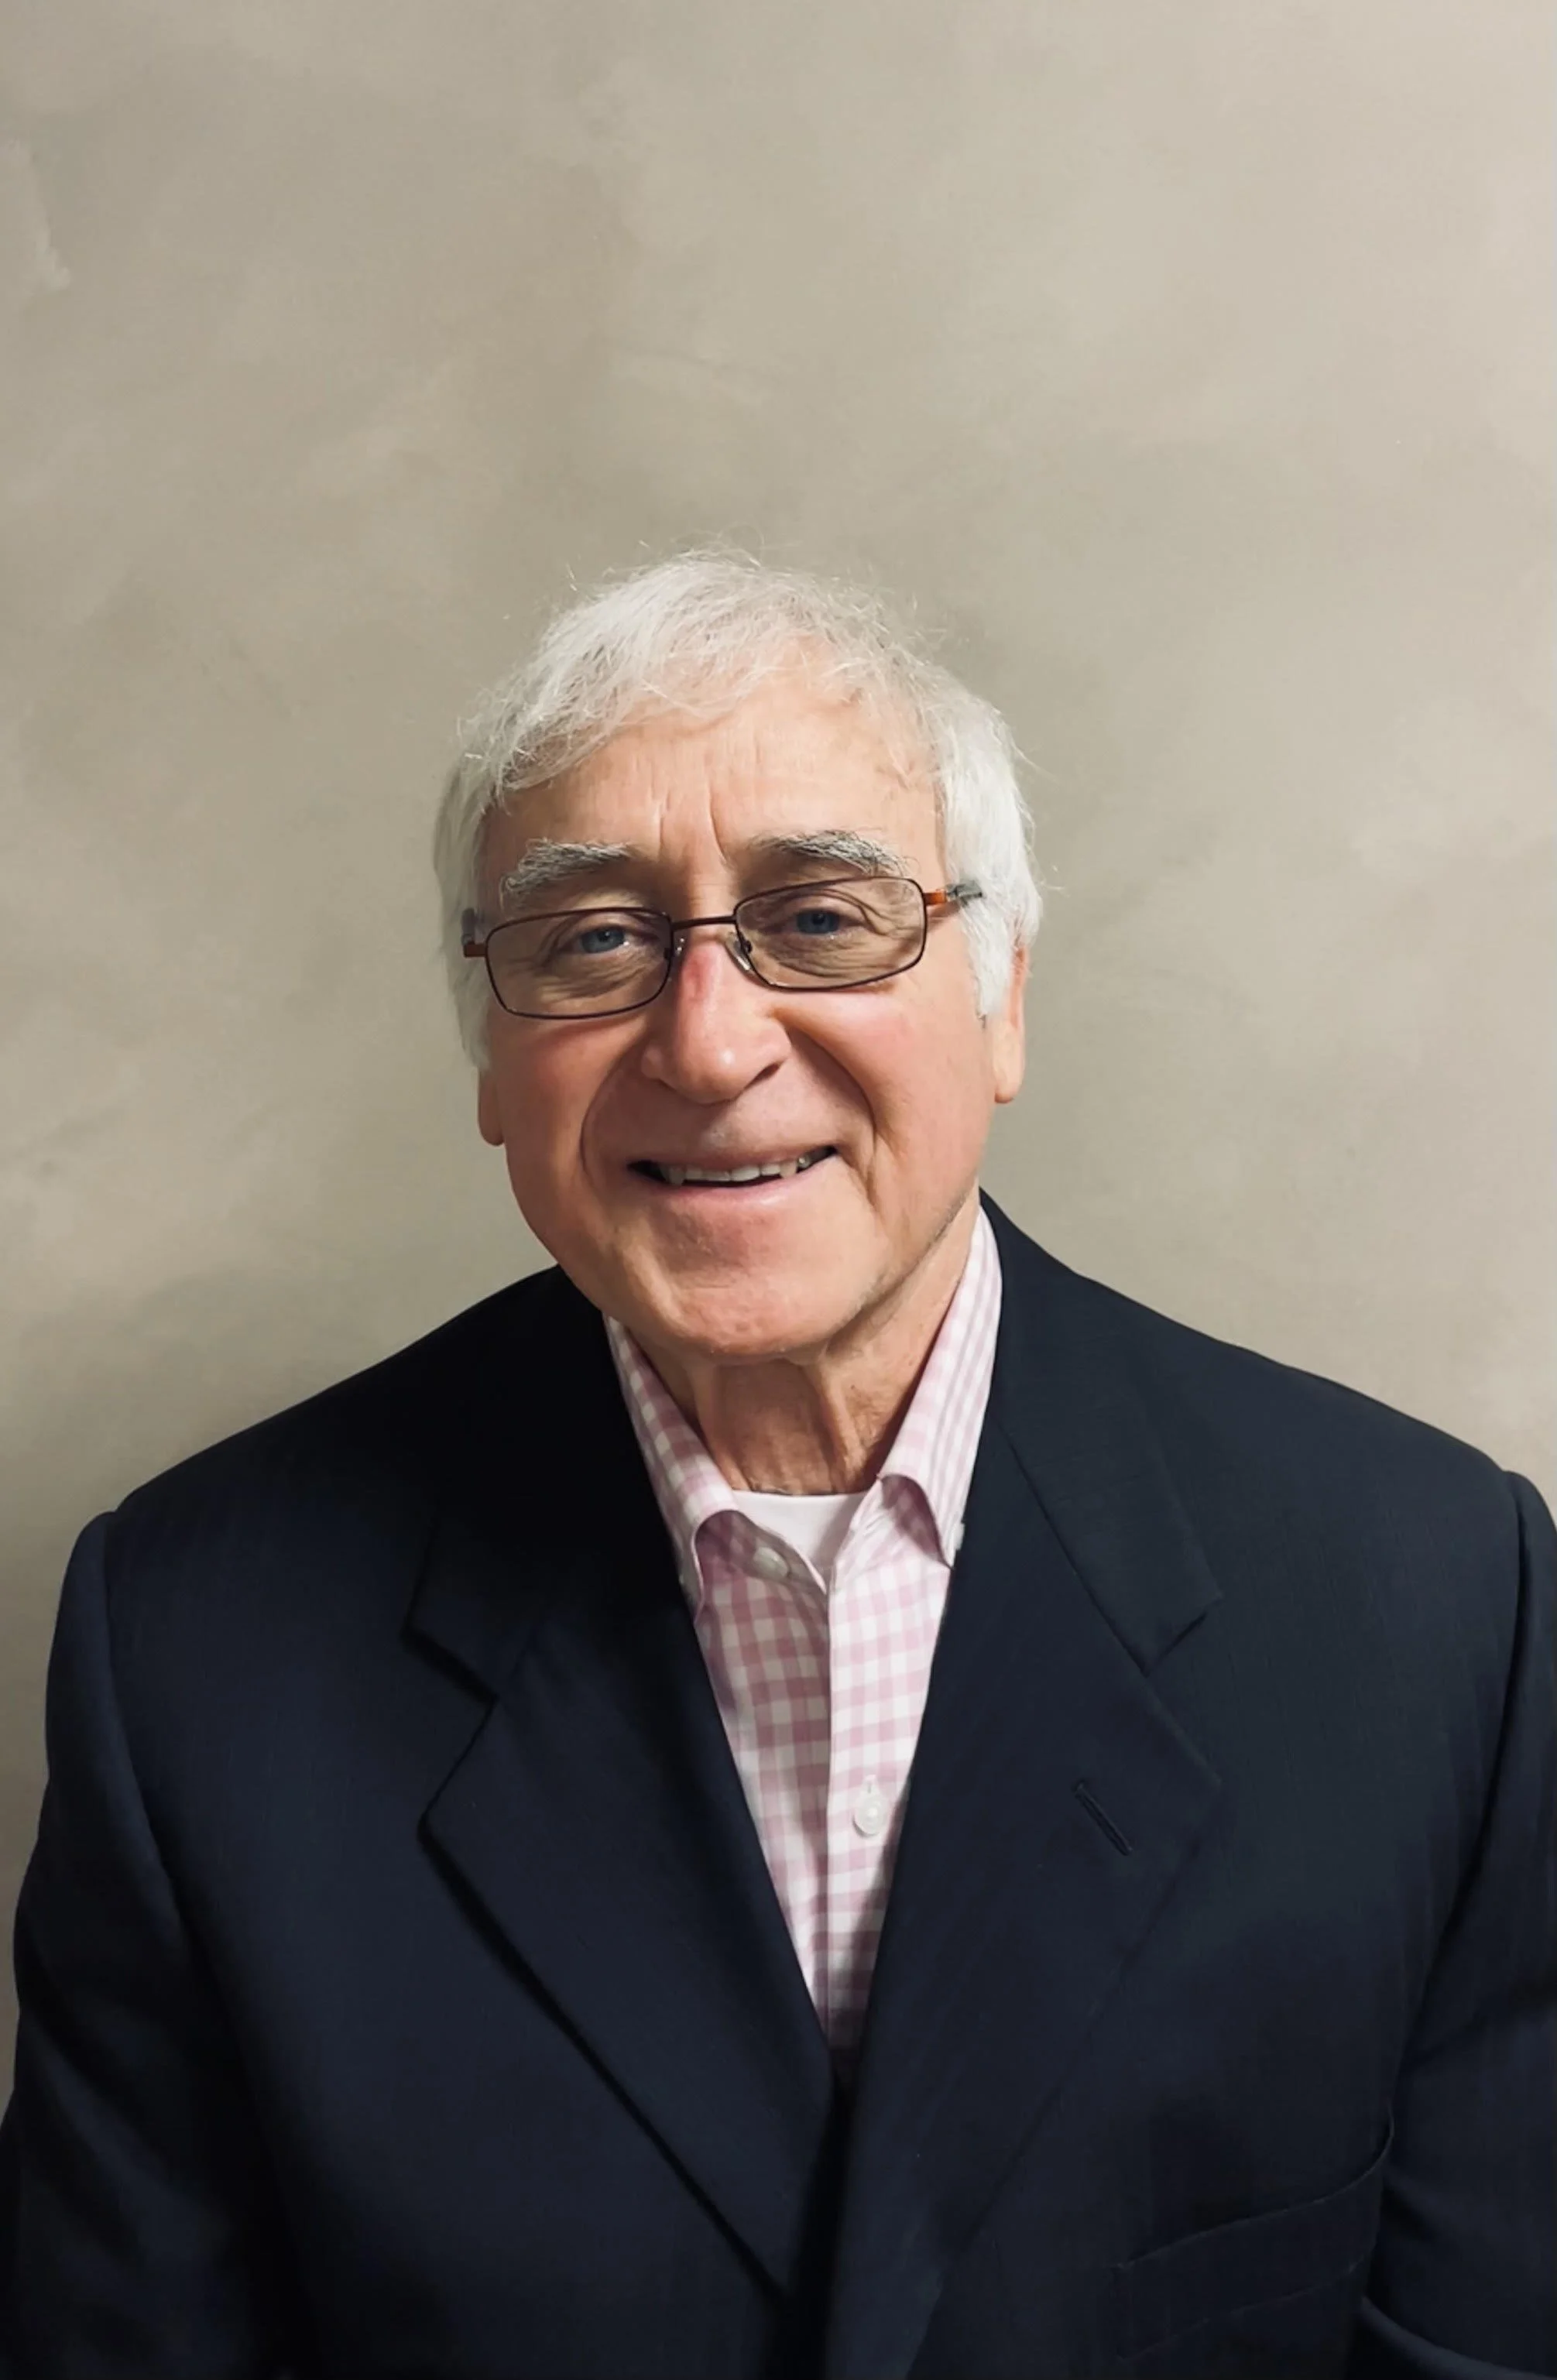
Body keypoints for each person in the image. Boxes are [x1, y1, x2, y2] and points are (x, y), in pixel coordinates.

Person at [0, 551, 1551, 2380]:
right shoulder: (193, 1651)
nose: (712, 1039)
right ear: (496, 1059)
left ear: (1001, 1001)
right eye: (593, 939)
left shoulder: (1436, 1600)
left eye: (822, 916)